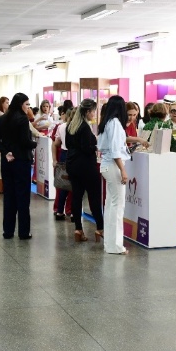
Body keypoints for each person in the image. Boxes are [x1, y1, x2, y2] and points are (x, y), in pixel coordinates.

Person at [0, 93, 36, 239]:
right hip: (22, 161)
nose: (28, 107)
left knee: (9, 196)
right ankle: (24, 232)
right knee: (23, 197)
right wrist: (36, 143)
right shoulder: (22, 119)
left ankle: (8, 231)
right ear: (20, 105)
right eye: (27, 104)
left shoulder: (1, 119)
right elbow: (25, 142)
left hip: (8, 162)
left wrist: (6, 152)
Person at [97, 95, 131, 255]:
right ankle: (116, 245)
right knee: (117, 207)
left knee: (111, 205)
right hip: (113, 166)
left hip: (106, 165)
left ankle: (110, 245)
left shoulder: (106, 123)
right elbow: (116, 150)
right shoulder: (116, 124)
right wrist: (123, 170)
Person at [66, 99, 103, 242]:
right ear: (87, 112)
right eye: (93, 111)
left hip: (72, 165)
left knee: (77, 196)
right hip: (86, 166)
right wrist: (96, 146)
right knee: (94, 197)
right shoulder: (85, 128)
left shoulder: (71, 126)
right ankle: (100, 228)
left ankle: (78, 229)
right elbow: (87, 148)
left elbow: (68, 144)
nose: (94, 114)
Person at [51, 105, 72, 220]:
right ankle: (72, 211)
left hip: (64, 154)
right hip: (73, 156)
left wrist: (55, 159)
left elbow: (56, 143)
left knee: (63, 183)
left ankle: (59, 210)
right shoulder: (77, 127)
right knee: (74, 184)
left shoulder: (61, 126)